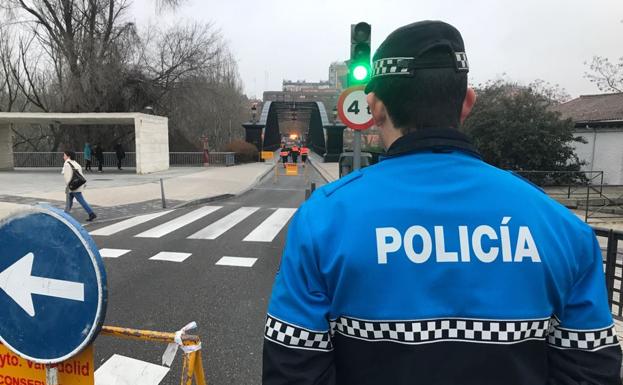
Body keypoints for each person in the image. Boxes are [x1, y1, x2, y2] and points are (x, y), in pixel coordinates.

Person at [262, 21, 622, 385]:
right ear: (467, 103)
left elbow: (292, 369)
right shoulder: (561, 227)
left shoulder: (323, 219)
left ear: (374, 107)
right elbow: (591, 370)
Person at [63, 150, 96, 222]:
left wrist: (68, 187)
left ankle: (91, 213)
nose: (63, 157)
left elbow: (67, 177)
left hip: (73, 186)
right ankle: (65, 215)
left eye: (64, 155)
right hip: (78, 185)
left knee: (80, 200)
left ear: (68, 156)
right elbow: (81, 175)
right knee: (70, 201)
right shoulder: (76, 163)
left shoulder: (67, 164)